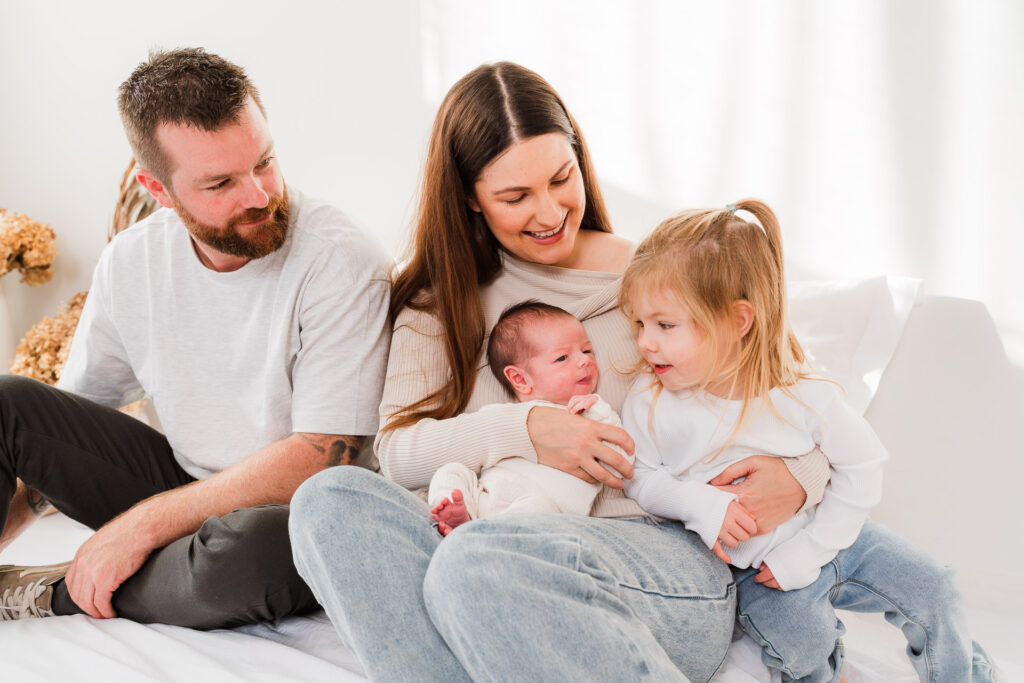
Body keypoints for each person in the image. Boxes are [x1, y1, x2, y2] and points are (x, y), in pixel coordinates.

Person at [289, 61, 830, 681]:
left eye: (560, 179)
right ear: (468, 197)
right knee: (326, 501)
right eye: (515, 197)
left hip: (651, 559)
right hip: (483, 542)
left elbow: (807, 395)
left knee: (484, 558)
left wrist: (801, 477)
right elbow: (398, 454)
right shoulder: (436, 308)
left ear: (580, 161)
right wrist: (528, 428)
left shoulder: (657, 273)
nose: (550, 212)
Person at [0, 48, 391, 629]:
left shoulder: (341, 258)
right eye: (221, 183)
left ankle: (55, 592)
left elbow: (322, 459)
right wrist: (17, 520)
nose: (259, 195)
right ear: (157, 188)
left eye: (265, 162)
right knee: (9, 403)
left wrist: (141, 526)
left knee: (245, 559)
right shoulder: (132, 261)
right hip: (181, 483)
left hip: (296, 514)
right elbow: (69, 425)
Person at [619, 200, 994, 682]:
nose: (645, 342)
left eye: (665, 325)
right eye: (639, 324)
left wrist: (811, 550)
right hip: (759, 574)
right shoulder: (651, 400)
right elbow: (638, 477)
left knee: (934, 587)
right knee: (802, 640)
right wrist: (697, 504)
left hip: (835, 538)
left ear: (738, 321)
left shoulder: (800, 391)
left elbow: (863, 465)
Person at [428, 301, 631, 535]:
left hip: (543, 511)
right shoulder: (503, 416)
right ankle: (457, 514)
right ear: (521, 379)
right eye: (562, 358)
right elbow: (474, 444)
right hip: (486, 496)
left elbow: (621, 461)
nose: (584, 361)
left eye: (586, 351)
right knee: (451, 471)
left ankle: (487, 536)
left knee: (539, 506)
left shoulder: (593, 413)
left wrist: (598, 409)